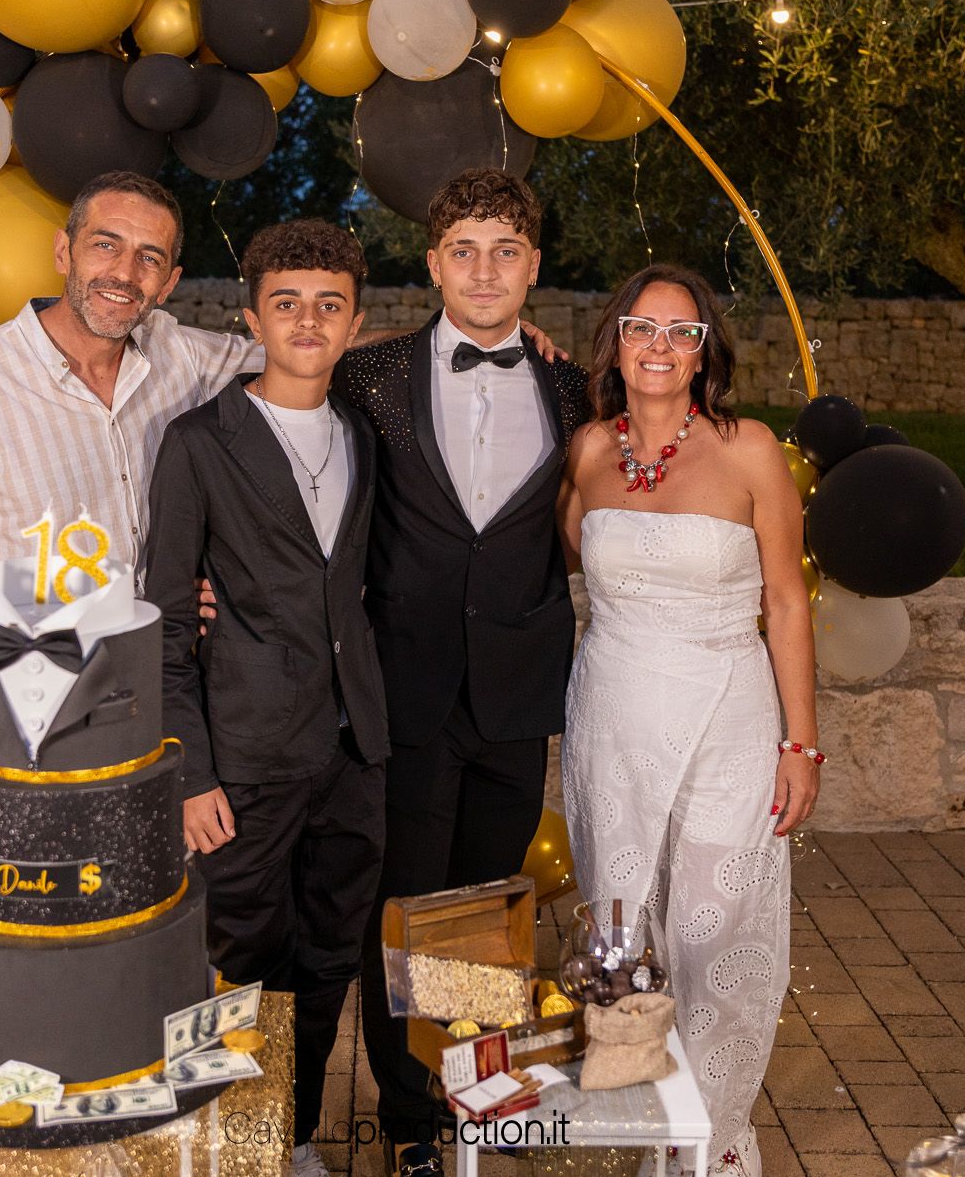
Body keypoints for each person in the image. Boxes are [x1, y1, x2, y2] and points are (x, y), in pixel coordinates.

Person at [331, 169, 591, 1177]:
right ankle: (407, 1120)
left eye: (506, 251)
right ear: (434, 263)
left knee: (486, 907)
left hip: (515, 692)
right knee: (402, 906)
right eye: (465, 252)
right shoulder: (368, 375)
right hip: (404, 687)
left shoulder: (572, 387)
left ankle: (468, 1091)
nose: (485, 271)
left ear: (533, 266)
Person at [0, 170, 261, 815]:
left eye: (149, 258)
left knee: (153, 872)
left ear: (169, 282)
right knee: (43, 876)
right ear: (65, 251)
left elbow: (302, 353)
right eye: (105, 245)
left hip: (162, 696)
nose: (124, 273)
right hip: (32, 708)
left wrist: (438, 342)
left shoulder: (179, 355)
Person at [556, 263, 818, 1177]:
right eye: (643, 327)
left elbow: (787, 601)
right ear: (616, 342)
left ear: (705, 351)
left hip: (727, 719)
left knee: (717, 932)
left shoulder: (750, 450)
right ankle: (653, 1121)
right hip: (611, 719)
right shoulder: (589, 450)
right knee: (627, 938)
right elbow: (567, 561)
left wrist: (801, 742)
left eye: (682, 331)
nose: (660, 346)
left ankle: (706, 1145)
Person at [142, 220, 388, 1177]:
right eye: (286, 303)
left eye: (329, 305)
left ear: (354, 323)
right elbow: (169, 623)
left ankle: (291, 1134)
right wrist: (192, 772)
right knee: (243, 965)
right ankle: (233, 1146)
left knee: (330, 959)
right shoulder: (199, 443)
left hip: (353, 750)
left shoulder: (361, 434)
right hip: (242, 759)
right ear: (253, 318)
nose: (308, 321)